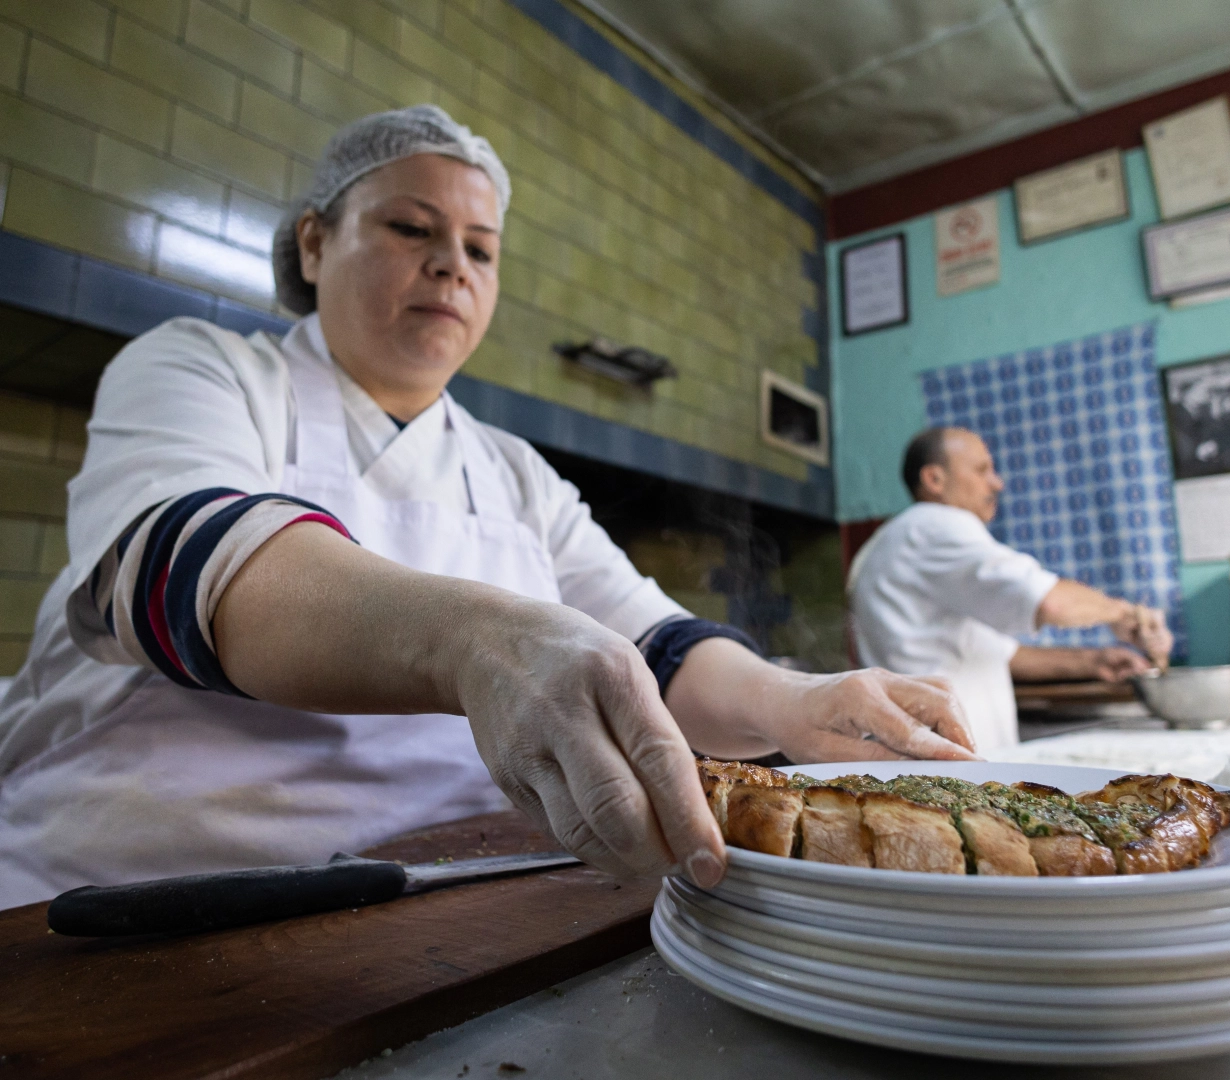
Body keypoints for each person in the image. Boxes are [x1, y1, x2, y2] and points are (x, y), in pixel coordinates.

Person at [0, 106, 975, 909]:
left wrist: (796, 702)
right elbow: (186, 565)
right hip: (121, 905)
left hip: (438, 897)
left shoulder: (511, 471)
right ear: (314, 239)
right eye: (410, 228)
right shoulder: (205, 368)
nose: (451, 266)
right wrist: (475, 642)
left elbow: (657, 646)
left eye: (480, 247)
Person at [848, 427, 1174, 753]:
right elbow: (1050, 603)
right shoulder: (935, 525)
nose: (997, 483)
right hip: (949, 756)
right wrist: (1124, 614)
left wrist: (1094, 662)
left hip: (934, 755)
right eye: (981, 470)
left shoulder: (886, 545)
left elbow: (1000, 654)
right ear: (935, 479)